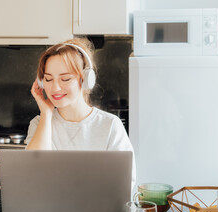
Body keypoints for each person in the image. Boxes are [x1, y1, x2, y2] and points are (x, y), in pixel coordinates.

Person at [24, 38, 136, 189]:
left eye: (65, 78)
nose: (55, 88)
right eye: (48, 79)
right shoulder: (38, 123)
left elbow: (125, 185)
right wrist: (46, 112)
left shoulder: (110, 125)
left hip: (97, 211)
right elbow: (32, 176)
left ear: (85, 80)